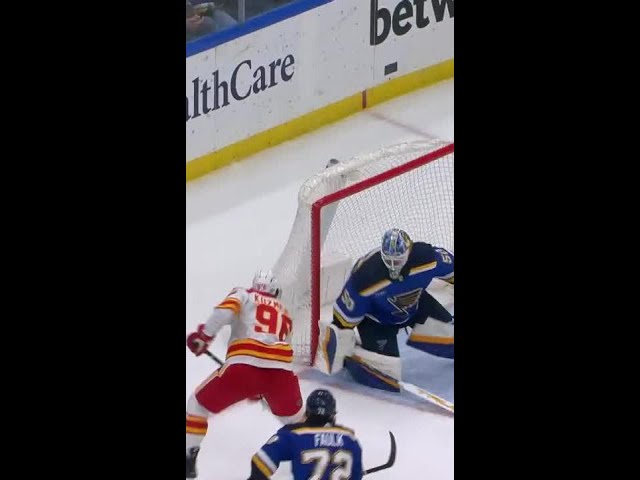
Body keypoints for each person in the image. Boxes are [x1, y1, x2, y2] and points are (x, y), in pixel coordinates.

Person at [186, 269, 304, 479]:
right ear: (275, 292)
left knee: (197, 404)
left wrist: (204, 336)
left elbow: (223, 312)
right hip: (282, 372)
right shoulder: (285, 312)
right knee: (296, 421)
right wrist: (261, 388)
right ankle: (316, 455)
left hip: (244, 366)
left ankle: (187, 459)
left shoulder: (244, 294)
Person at [316, 228, 454, 392]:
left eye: (398, 261)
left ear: (409, 252)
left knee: (451, 341)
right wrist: (341, 344)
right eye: (389, 261)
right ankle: (353, 355)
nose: (393, 267)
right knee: (388, 378)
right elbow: (342, 320)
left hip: (415, 306)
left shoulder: (427, 258)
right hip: (377, 322)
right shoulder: (366, 278)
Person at [247, 389, 363, 480]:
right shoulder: (350, 439)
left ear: (307, 412)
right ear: (332, 414)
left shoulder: (293, 435)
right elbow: (356, 475)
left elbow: (260, 463)